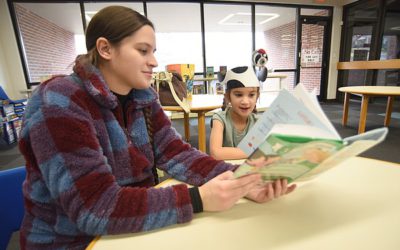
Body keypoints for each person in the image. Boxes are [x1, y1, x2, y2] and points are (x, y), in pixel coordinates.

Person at [18, 6, 296, 249]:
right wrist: (197, 199)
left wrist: (246, 179)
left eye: (153, 52)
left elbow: (179, 154)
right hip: (72, 242)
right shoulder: (58, 102)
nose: (153, 62)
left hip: (131, 229)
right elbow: (96, 207)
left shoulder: (142, 98)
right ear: (105, 49)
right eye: (142, 51)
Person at [210, 66, 260, 160]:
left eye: (251, 95)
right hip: (226, 171)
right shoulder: (220, 119)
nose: (245, 101)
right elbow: (215, 153)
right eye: (238, 95)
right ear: (228, 97)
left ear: (257, 96)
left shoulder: (258, 122)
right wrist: (253, 151)